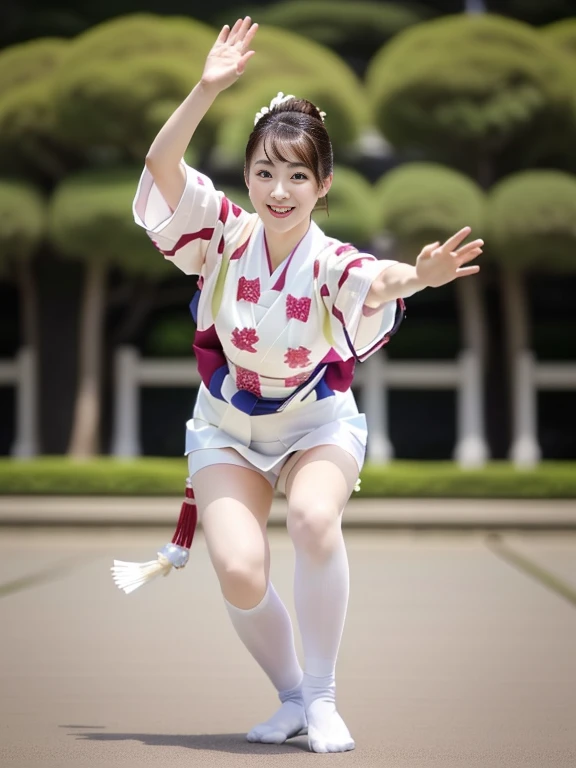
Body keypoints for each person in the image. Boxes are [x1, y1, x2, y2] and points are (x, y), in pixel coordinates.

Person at [113, 17, 483, 753]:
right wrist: (207, 87)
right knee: (241, 572)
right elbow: (160, 166)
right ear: (247, 175)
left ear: (324, 184)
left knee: (314, 520)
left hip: (315, 423)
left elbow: (378, 282)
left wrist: (420, 275)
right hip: (226, 425)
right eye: (265, 172)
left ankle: (322, 698)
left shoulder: (330, 259)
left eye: (297, 175)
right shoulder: (221, 233)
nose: (279, 190)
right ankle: (289, 697)